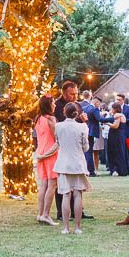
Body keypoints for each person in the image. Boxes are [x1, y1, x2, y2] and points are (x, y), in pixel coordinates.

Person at [54, 102, 91, 235]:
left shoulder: (58, 126)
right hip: (77, 163)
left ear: (64, 112)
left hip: (64, 164)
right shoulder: (82, 127)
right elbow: (86, 147)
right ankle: (77, 227)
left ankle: (65, 227)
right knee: (77, 194)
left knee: (65, 195)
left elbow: (58, 143)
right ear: (77, 113)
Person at [33, 94, 59, 226]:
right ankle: (46, 214)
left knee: (44, 185)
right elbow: (56, 141)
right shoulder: (51, 119)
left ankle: (40, 213)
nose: (54, 105)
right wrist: (46, 155)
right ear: (48, 105)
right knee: (52, 185)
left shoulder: (38, 119)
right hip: (50, 155)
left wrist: (41, 155)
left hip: (41, 153)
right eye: (53, 103)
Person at [79, 90, 103, 177]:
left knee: (87, 151)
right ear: (96, 102)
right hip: (91, 132)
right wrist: (112, 119)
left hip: (86, 130)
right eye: (99, 103)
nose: (99, 105)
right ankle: (91, 171)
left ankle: (87, 170)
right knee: (89, 151)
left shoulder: (86, 108)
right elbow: (100, 119)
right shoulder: (94, 109)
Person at [106, 101, 129, 176]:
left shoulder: (117, 115)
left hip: (115, 135)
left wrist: (107, 123)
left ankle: (116, 169)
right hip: (120, 135)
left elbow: (115, 126)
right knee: (120, 152)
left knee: (115, 152)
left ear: (115, 109)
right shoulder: (121, 115)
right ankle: (120, 169)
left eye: (112, 108)